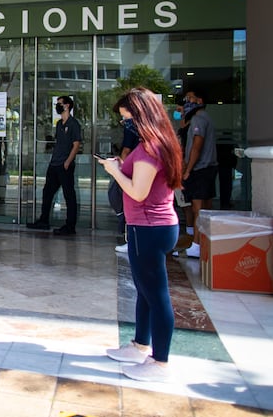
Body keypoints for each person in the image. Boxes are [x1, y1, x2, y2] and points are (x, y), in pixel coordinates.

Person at [96, 88, 183, 382]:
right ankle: (140, 345)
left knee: (156, 296)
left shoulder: (150, 149)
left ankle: (160, 363)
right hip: (147, 227)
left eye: (126, 118)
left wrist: (114, 171)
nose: (125, 124)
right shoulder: (157, 144)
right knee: (144, 291)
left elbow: (137, 190)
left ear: (140, 115)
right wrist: (121, 167)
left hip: (150, 228)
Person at [27, 95, 82, 235]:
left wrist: (68, 162)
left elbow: (76, 145)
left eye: (60, 104)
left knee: (69, 195)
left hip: (65, 164)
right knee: (47, 192)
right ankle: (43, 221)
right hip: (54, 164)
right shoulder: (59, 124)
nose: (57, 106)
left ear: (68, 105)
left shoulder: (74, 124)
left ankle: (70, 226)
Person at [178, 88, 218, 258]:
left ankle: (196, 244)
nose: (187, 101)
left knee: (198, 208)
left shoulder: (199, 119)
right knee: (203, 208)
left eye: (191, 98)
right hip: (206, 168)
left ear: (200, 101)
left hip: (200, 169)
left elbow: (196, 145)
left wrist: (187, 170)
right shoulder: (202, 118)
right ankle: (200, 241)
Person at [113, 98, 141, 253]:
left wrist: (118, 171)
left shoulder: (146, 149)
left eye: (125, 116)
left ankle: (132, 240)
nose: (124, 121)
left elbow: (138, 193)